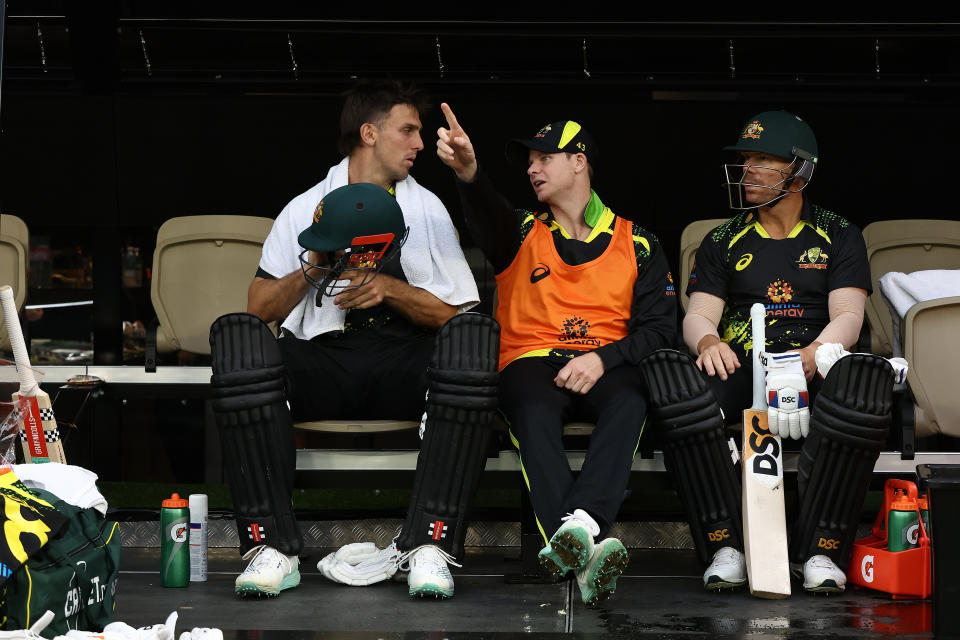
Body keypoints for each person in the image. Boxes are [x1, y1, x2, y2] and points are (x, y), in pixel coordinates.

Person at [208, 81, 495, 600]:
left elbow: (457, 315)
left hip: (404, 362)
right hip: (322, 361)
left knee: (473, 339)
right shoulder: (305, 208)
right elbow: (258, 308)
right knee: (237, 338)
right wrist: (315, 262)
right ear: (369, 133)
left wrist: (389, 288)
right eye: (407, 131)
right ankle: (272, 547)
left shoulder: (427, 208)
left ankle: (430, 546)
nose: (419, 144)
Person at [435, 104, 677, 605]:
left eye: (544, 157)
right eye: (528, 161)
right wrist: (468, 173)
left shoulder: (640, 242)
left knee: (631, 398)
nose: (531, 168)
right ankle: (587, 544)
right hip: (531, 363)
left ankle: (581, 525)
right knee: (533, 406)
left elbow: (659, 330)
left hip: (606, 362)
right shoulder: (520, 230)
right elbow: (487, 213)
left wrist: (603, 360)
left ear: (579, 162)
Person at [641, 110, 888, 595]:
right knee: (680, 393)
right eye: (744, 159)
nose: (747, 169)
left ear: (798, 170)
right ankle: (724, 545)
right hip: (742, 359)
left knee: (861, 394)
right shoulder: (722, 238)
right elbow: (698, 316)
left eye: (761, 160)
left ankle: (822, 550)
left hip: (814, 361)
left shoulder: (839, 233)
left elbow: (849, 318)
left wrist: (812, 355)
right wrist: (708, 342)